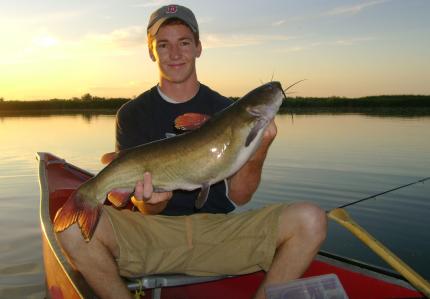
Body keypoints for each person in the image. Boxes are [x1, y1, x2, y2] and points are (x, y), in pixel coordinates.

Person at [57, 4, 327, 299]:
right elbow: (141, 204)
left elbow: (240, 196)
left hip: (220, 233)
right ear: (151, 52)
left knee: (311, 219)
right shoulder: (133, 113)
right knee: (70, 229)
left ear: (198, 48)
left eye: (184, 42)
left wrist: (260, 147)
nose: (175, 54)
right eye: (164, 44)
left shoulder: (226, 108)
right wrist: (152, 201)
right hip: (153, 234)